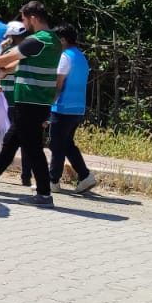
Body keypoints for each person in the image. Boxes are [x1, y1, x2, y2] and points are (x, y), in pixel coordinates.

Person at [0, 2, 61, 206]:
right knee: (11, 143)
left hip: (30, 100)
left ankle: (44, 194)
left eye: (24, 19)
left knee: (33, 148)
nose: (23, 23)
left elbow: (13, 55)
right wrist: (3, 72)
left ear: (33, 18)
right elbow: (21, 64)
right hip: (37, 101)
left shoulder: (40, 40)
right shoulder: (52, 40)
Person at [48, 24, 97, 194]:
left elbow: (58, 85)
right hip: (77, 108)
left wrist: (48, 104)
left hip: (62, 107)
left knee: (56, 145)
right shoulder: (81, 57)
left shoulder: (65, 57)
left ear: (62, 40)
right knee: (67, 144)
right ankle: (85, 176)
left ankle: (52, 181)